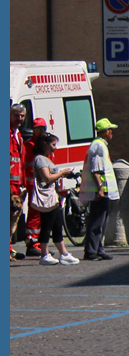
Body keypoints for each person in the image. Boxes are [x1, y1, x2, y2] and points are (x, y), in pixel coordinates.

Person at [31, 133, 79, 266]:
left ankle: (64, 254)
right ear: (44, 144)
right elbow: (47, 178)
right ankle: (44, 254)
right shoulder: (40, 159)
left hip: (53, 197)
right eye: (53, 144)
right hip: (47, 198)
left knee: (57, 225)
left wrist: (65, 174)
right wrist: (62, 173)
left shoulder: (46, 159)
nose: (55, 148)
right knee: (47, 225)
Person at [79, 118, 120, 261]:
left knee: (102, 221)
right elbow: (96, 169)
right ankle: (91, 251)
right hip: (100, 191)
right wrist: (100, 189)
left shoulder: (100, 145)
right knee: (97, 221)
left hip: (102, 190)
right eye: (111, 130)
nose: (112, 133)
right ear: (107, 131)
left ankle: (98, 248)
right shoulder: (98, 146)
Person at [22, 117, 49, 256]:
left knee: (41, 213)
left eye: (42, 129)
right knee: (34, 214)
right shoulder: (29, 145)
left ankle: (38, 242)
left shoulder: (45, 145)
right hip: (33, 183)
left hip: (43, 183)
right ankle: (31, 242)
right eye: (37, 129)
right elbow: (24, 165)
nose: (40, 132)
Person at [10, 103, 27, 261]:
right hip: (9, 184)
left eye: (22, 116)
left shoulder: (18, 135)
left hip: (16, 185)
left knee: (12, 219)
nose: (20, 119)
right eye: (17, 116)